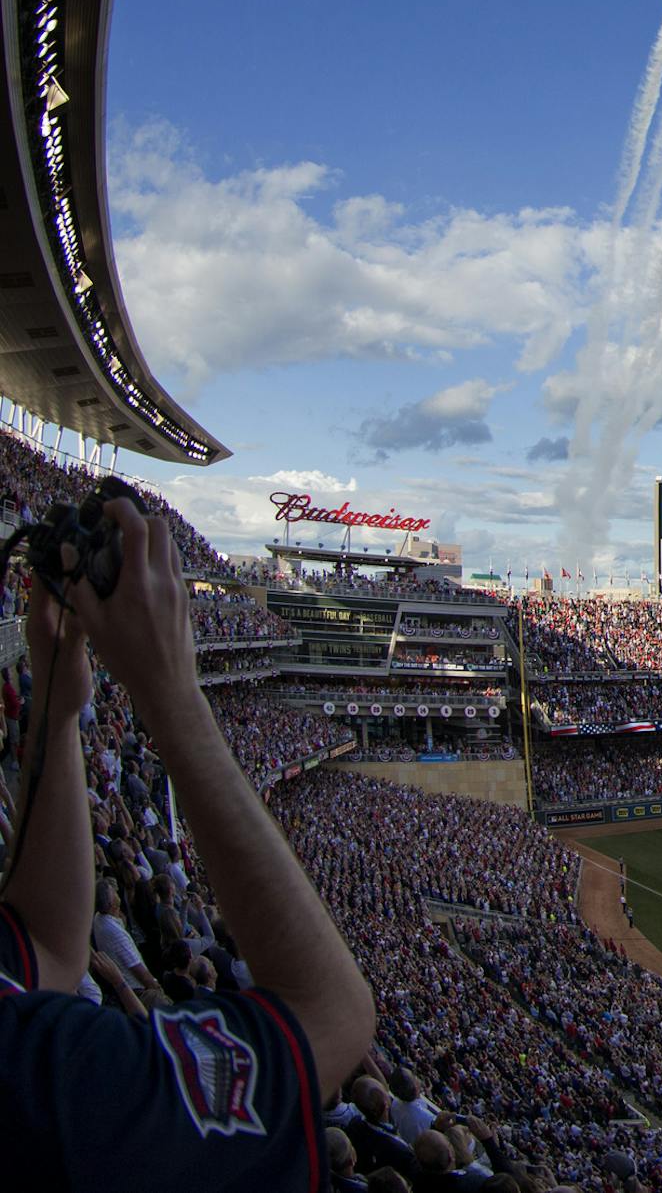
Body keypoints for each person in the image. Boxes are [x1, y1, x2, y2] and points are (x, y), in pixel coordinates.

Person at [0, 502, 376, 1189]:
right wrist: (173, 693)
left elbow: (44, 949)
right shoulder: (33, 1082)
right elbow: (332, 1014)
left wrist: (55, 714)